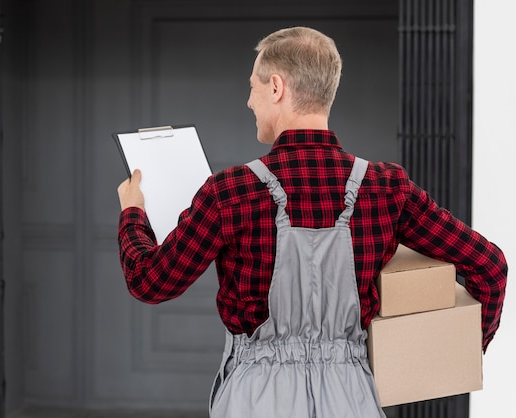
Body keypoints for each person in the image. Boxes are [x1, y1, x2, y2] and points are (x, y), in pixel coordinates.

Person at [117, 26, 507, 417]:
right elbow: (490, 267)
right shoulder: (387, 188)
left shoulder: (230, 191)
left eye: (252, 87)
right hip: (352, 397)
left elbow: (150, 282)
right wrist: (457, 354)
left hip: (256, 401)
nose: (248, 101)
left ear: (275, 87)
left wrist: (133, 212)